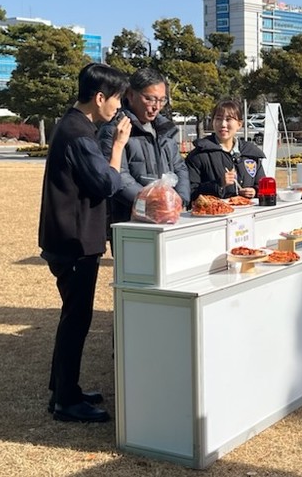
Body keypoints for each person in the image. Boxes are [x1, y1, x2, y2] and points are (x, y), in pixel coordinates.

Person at [39, 62, 132, 423]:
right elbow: (106, 183)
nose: (119, 106)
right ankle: (66, 400)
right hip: (74, 241)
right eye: (117, 98)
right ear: (100, 97)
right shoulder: (78, 133)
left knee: (72, 315)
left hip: (69, 238)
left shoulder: (72, 126)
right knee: (77, 318)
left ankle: (63, 390)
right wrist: (118, 146)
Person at [98, 68, 190, 228]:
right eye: (150, 99)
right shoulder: (116, 129)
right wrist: (153, 203)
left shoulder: (165, 129)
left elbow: (179, 167)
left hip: (169, 216)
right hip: (130, 220)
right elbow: (118, 176)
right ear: (130, 95)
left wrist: (180, 199)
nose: (156, 106)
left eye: (162, 100)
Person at [185, 99, 266, 199]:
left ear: (239, 124)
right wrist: (218, 184)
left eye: (228, 119)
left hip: (248, 208)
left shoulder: (250, 153)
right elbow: (190, 192)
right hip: (215, 208)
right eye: (218, 119)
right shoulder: (199, 155)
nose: (223, 124)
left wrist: (255, 191)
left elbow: (262, 185)